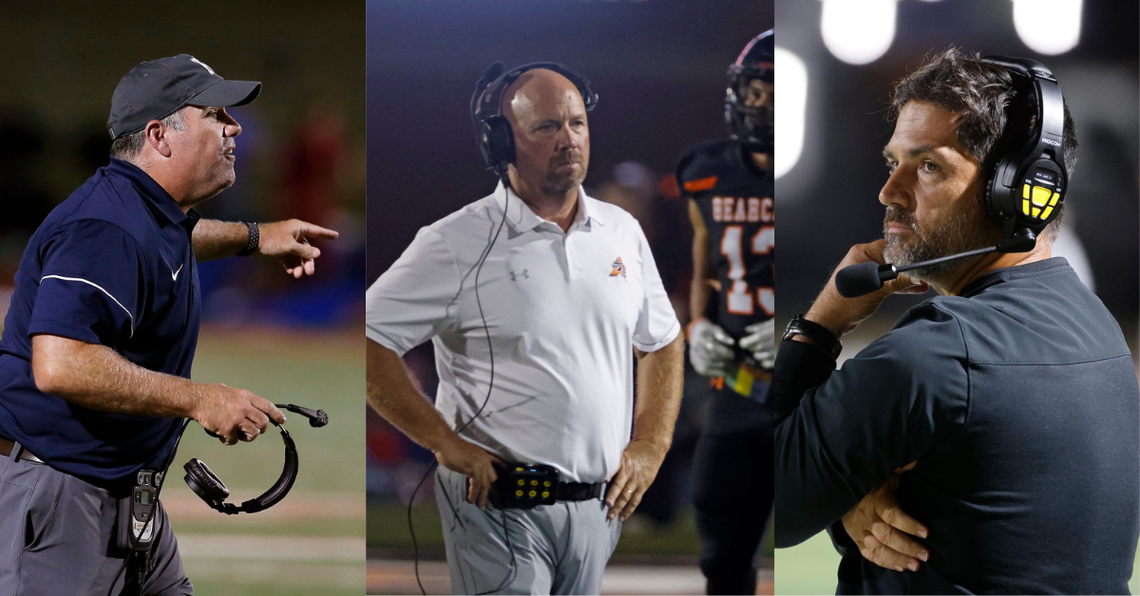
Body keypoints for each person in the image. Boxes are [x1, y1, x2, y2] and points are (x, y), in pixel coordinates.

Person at [773, 48, 1139, 594]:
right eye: (892, 162)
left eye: (927, 166)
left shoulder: (933, 356)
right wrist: (849, 487)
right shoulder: (1096, 325)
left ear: (1015, 191)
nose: (889, 192)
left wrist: (822, 323)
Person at [0, 54, 339, 595]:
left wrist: (255, 237)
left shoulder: (145, 211)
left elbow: (167, 242)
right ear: (160, 135)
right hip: (62, 500)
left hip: (118, 495)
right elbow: (61, 364)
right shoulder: (102, 227)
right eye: (216, 115)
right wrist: (200, 398)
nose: (236, 127)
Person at [366, 63, 685, 595]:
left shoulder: (621, 231)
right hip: (498, 504)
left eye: (577, 123)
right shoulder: (454, 241)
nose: (569, 140)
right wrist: (442, 441)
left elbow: (663, 340)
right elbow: (371, 338)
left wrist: (650, 443)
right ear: (499, 142)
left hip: (598, 506)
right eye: (547, 127)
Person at [678, 31, 775, 596]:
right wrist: (700, 323)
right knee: (722, 559)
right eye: (755, 90)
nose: (761, 103)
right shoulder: (705, 170)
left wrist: (796, 329)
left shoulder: (828, 177)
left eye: (774, 93)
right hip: (737, 391)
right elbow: (705, 263)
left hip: (813, 395)